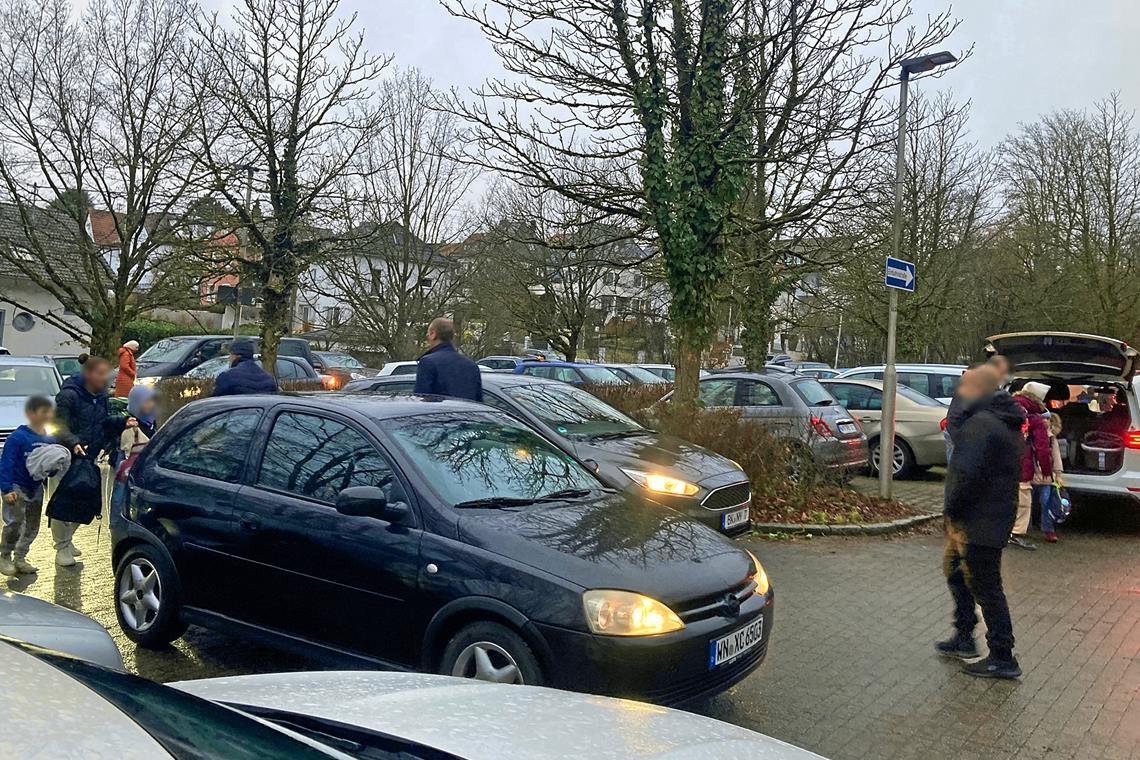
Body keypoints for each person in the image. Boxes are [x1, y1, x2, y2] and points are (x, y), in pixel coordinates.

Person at [937, 366, 1025, 679]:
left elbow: (965, 476)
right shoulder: (1005, 421)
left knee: (987, 589)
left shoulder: (981, 424)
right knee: (959, 575)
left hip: (976, 521)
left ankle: (1002, 655)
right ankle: (965, 636)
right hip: (993, 516)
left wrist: (952, 512)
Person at [52, 354, 123, 567]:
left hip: (89, 456)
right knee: (64, 503)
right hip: (67, 457)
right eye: (103, 375)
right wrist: (73, 442)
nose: (108, 380)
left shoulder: (101, 396)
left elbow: (102, 423)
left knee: (87, 502)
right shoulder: (68, 396)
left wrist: (122, 422)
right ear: (90, 374)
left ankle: (68, 539)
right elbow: (58, 426)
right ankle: (61, 547)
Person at [0, 396, 54, 576]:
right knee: (15, 522)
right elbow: (6, 462)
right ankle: (5, 556)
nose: (48, 416)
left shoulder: (49, 438)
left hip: (36, 487)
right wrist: (6, 488)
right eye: (43, 412)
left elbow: (49, 465)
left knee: (32, 524)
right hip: (17, 485)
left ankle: (21, 557)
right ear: (31, 414)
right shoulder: (18, 437)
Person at [1010, 381, 1052, 550]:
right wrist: (1046, 470)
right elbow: (1042, 448)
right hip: (1022, 464)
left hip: (1002, 462)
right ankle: (1017, 533)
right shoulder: (1035, 418)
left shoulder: (1008, 408)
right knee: (1023, 499)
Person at [414, 317, 482, 402]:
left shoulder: (428, 362)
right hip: (468, 414)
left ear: (433, 334)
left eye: (428, 334)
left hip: (438, 414)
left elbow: (422, 400)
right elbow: (479, 402)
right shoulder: (472, 366)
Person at [1035, 413, 1066, 543]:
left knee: (1046, 501)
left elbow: (1056, 455)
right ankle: (1020, 528)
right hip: (1031, 472)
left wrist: (1058, 474)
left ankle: (1048, 529)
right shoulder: (1030, 434)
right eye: (1043, 418)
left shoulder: (1051, 437)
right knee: (1024, 503)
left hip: (1047, 475)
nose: (1046, 421)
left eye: (1048, 419)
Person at [212, 339, 278, 397]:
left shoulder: (227, 377)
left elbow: (216, 402)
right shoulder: (268, 379)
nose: (229, 358)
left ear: (236, 356)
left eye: (230, 354)